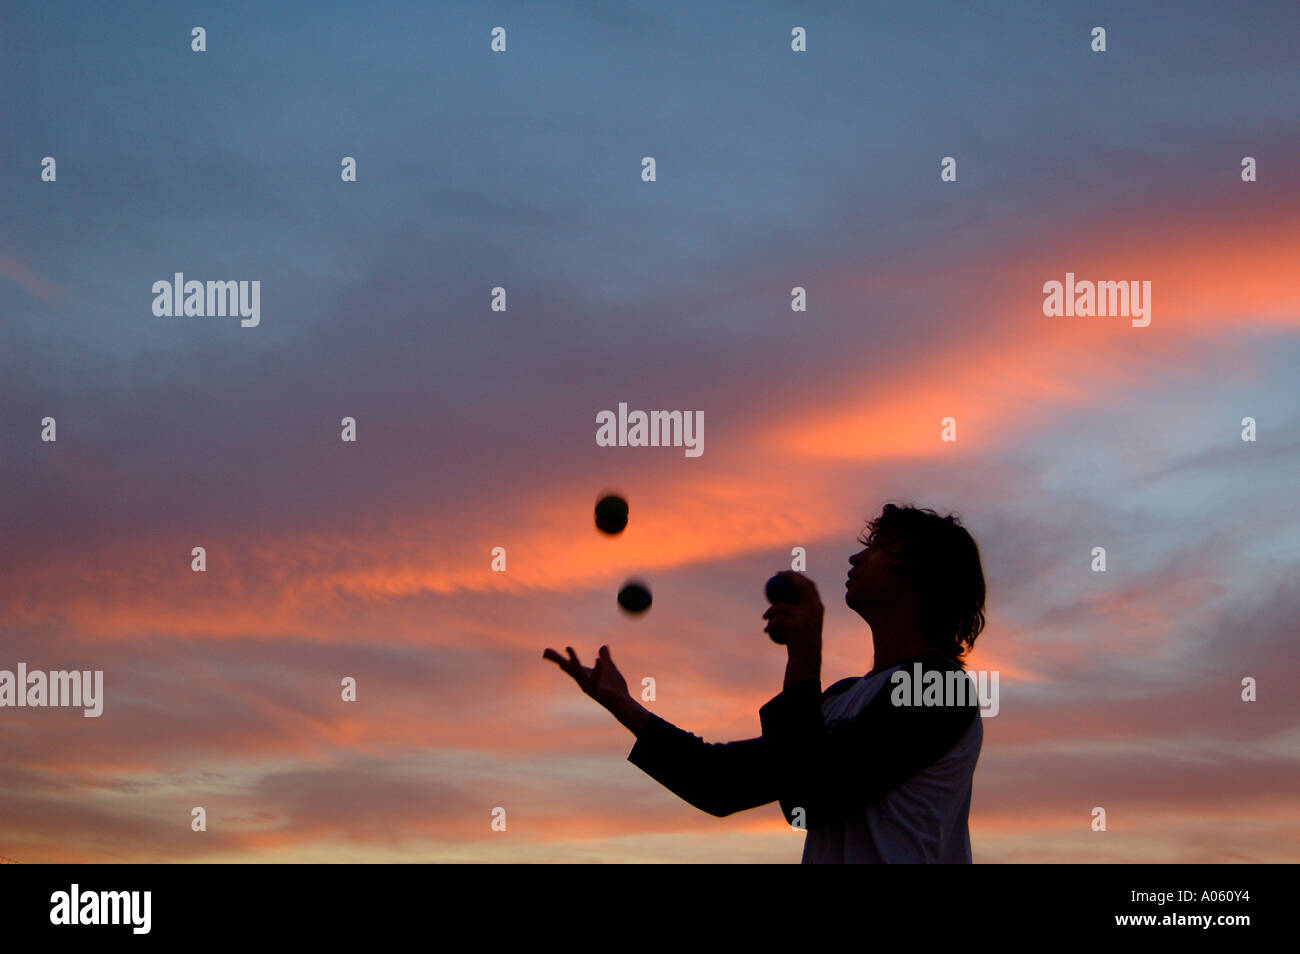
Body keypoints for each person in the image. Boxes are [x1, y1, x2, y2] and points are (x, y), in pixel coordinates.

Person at [543, 502, 987, 863]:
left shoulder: (939, 690)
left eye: (878, 547)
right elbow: (721, 784)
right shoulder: (841, 700)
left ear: (920, 575)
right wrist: (625, 706)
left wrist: (804, 656)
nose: (857, 557)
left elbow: (810, 799)